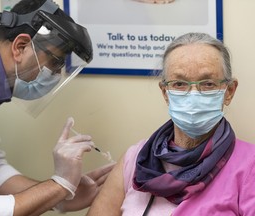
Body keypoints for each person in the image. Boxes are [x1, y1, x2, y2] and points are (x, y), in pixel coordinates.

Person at [0, 0, 114, 215]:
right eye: (55, 62)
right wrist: (60, 185)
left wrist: (59, 196)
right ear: (21, 46)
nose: (54, 76)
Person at [87, 32, 255, 216]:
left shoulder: (250, 165)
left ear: (229, 91)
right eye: (179, 84)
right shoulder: (137, 159)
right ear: (165, 92)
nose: (193, 95)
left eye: (208, 83)